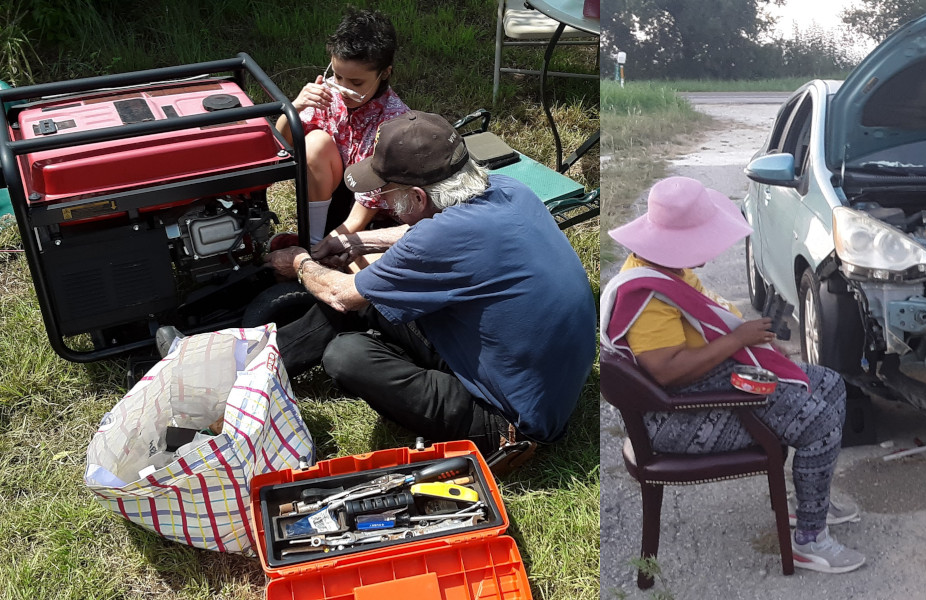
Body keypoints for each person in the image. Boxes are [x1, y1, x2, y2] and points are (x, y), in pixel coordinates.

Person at [263, 110, 596, 474]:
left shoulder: (440, 240)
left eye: (386, 193)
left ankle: (258, 377)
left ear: (418, 197)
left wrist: (298, 263)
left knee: (347, 355)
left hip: (511, 421)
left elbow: (342, 294)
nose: (383, 203)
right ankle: (265, 368)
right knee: (376, 294)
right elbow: (430, 234)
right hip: (538, 380)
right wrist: (357, 241)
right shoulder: (506, 188)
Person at [596, 176, 867, 574]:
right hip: (677, 417)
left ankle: (810, 499)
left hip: (709, 384)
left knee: (831, 385)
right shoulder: (648, 297)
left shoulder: (666, 267)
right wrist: (739, 339)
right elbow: (667, 373)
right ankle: (810, 539)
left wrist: (751, 343)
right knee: (819, 423)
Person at [273, 8, 412, 248]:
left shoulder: (393, 123)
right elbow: (281, 145)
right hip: (336, 194)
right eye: (337, 76)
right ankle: (315, 238)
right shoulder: (328, 94)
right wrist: (294, 108)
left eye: (356, 82)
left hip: (373, 216)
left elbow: (364, 211)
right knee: (315, 141)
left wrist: (321, 252)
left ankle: (320, 246)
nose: (343, 88)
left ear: (385, 73)